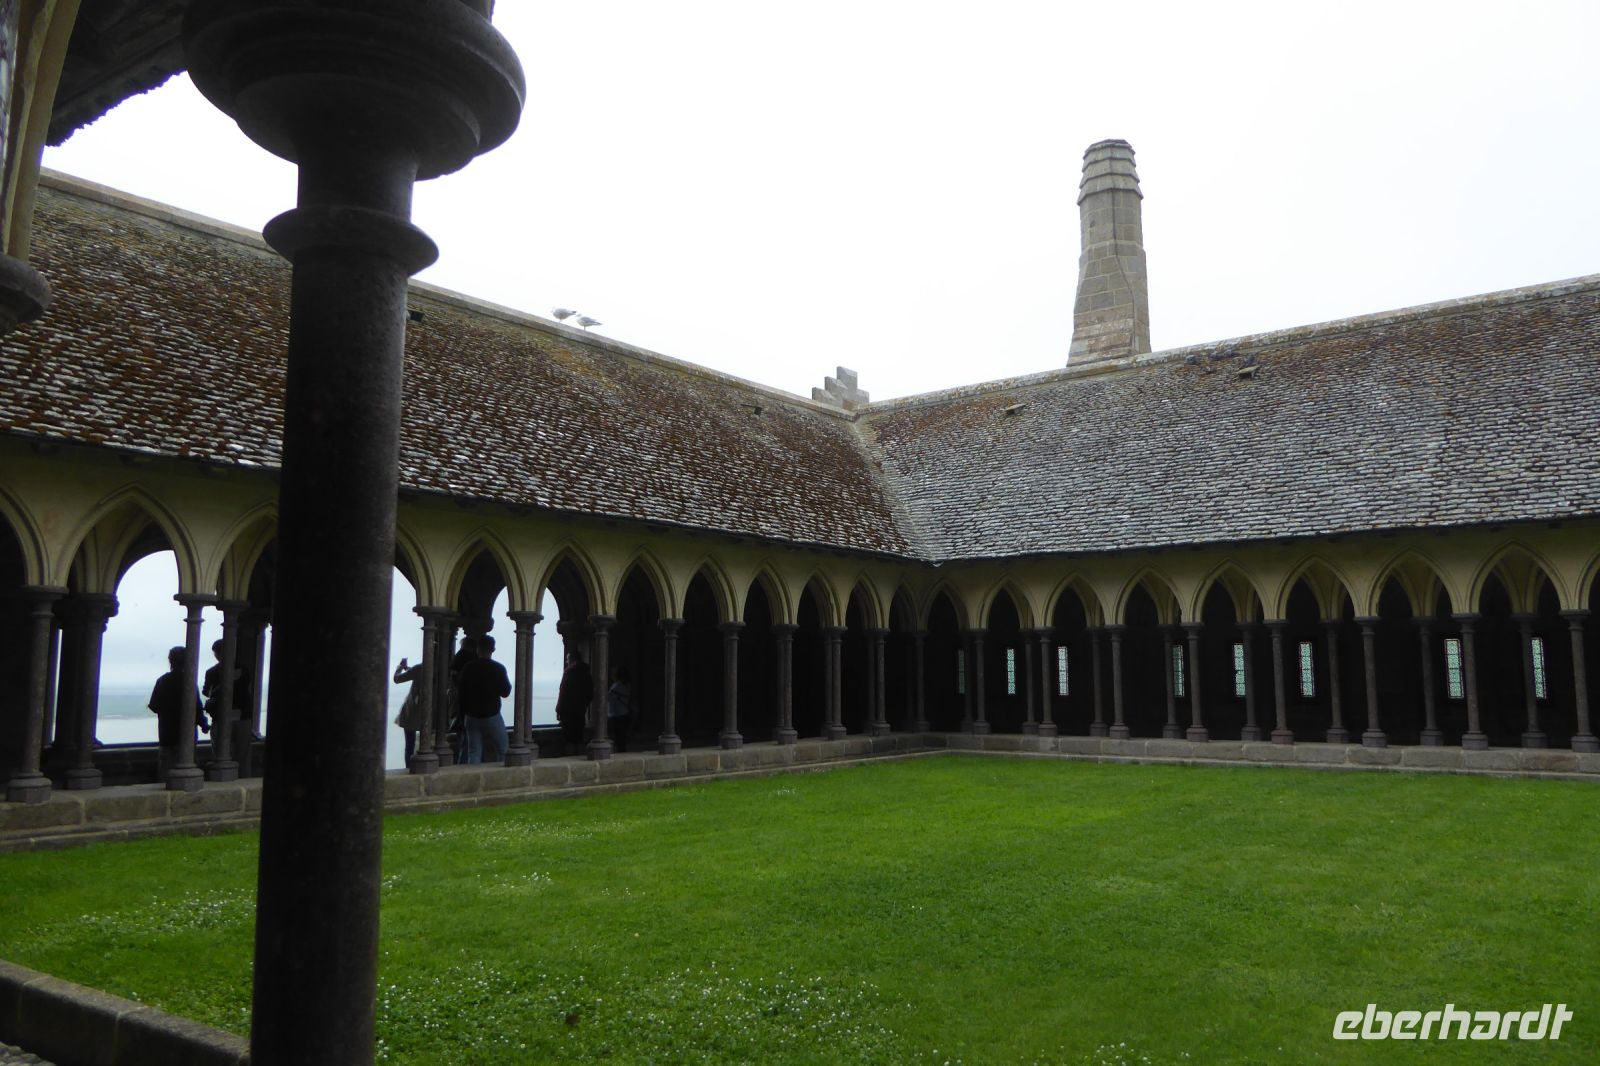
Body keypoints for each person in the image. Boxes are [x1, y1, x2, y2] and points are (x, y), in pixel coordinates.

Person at [456, 634, 511, 764]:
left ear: (477, 649)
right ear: (492, 650)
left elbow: (461, 694)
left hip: (471, 716)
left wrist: (461, 717)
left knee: (474, 752)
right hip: (491, 715)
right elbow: (506, 692)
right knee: (503, 750)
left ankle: (474, 781)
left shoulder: (468, 668)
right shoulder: (498, 668)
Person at [148, 646, 201, 779]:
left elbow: (154, 706)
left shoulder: (162, 681)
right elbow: (197, 707)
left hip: (167, 733)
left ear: (170, 661)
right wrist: (203, 724)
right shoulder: (189, 681)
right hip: (187, 734)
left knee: (165, 771)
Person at [201, 638, 246, 773]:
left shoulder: (212, 672)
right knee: (241, 754)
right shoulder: (244, 670)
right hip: (242, 717)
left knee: (220, 754)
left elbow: (206, 692)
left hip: (220, 717)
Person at [554, 649, 593, 757]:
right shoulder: (586, 672)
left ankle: (570, 761)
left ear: (572, 659)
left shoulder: (569, 672)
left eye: (567, 659)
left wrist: (558, 710)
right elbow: (590, 693)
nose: (566, 662)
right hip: (580, 711)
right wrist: (583, 705)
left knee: (569, 740)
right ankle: (579, 759)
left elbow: (563, 692)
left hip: (568, 712)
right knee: (579, 738)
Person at [393, 657, 426, 763]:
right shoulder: (441, 670)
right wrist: (407, 668)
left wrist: (400, 667)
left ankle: (409, 769)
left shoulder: (419, 668)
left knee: (409, 746)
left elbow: (397, 679)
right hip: (431, 713)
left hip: (412, 712)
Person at [606, 666, 635, 753]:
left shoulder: (617, 686)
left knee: (619, 739)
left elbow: (607, 697)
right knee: (621, 739)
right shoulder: (627, 685)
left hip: (617, 715)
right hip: (624, 714)